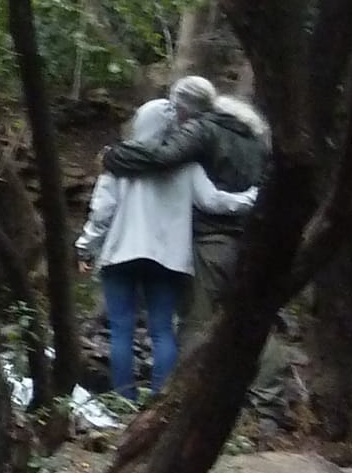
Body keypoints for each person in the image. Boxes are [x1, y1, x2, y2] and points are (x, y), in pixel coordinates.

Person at [77, 95, 259, 401]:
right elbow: (214, 201)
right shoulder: (186, 167)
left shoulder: (119, 162)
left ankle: (125, 399)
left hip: (122, 255)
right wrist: (252, 196)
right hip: (168, 260)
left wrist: (85, 248)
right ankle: (160, 400)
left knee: (121, 330)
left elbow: (102, 213)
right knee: (162, 331)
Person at [101, 75, 271, 319]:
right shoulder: (248, 133)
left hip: (210, 238)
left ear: (183, 108)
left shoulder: (202, 129)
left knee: (197, 317)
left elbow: (164, 157)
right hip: (245, 235)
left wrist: (114, 156)